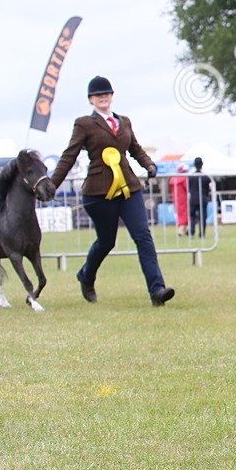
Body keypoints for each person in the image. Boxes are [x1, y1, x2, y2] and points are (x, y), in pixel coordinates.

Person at [50, 76, 175, 306]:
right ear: (91, 100)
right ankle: (86, 276)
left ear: (112, 96)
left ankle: (157, 291)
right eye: (98, 94)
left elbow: (135, 149)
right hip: (98, 192)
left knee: (143, 236)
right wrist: (52, 184)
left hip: (129, 188)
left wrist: (149, 164)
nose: (103, 97)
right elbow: (70, 155)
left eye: (106, 93)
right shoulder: (84, 123)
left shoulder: (124, 121)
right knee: (106, 242)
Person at [186, 157, 212, 238]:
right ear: (202, 165)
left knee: (192, 216)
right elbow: (208, 189)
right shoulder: (206, 177)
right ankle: (202, 233)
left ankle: (192, 231)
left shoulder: (191, 177)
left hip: (193, 198)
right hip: (203, 198)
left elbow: (189, 188)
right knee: (203, 217)